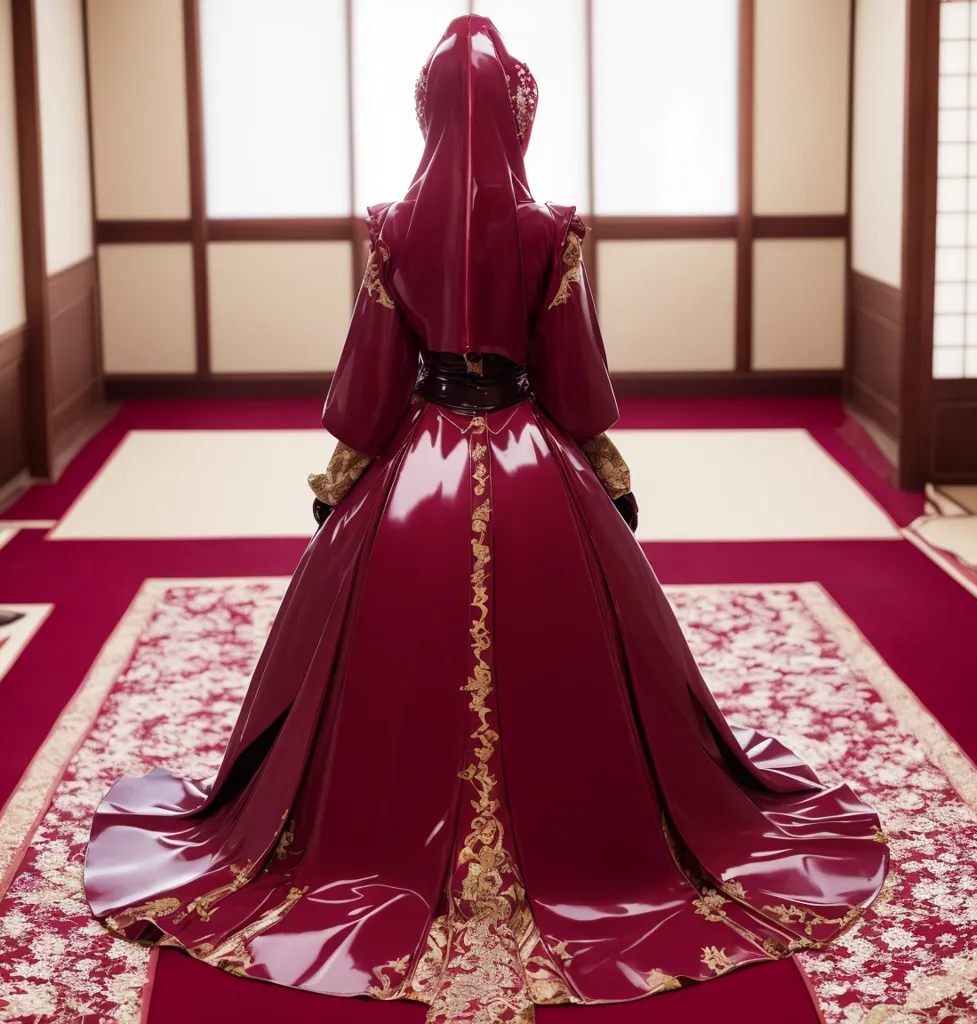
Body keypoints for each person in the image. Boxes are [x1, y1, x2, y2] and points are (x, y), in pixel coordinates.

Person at [84, 15, 887, 1022]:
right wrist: (590, 447)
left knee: (374, 668)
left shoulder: (390, 223)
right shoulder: (551, 227)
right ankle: (600, 840)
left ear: (423, 108)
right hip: (527, 461)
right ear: (517, 112)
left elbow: (368, 389)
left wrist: (351, 462)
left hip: (414, 467)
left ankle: (362, 843)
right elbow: (579, 386)